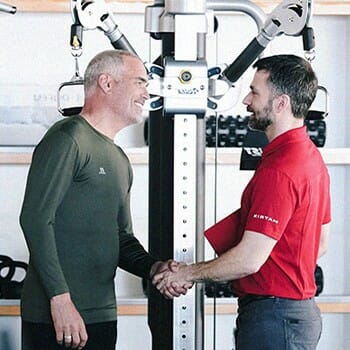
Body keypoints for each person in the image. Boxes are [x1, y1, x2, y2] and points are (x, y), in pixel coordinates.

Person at [153, 54, 331, 350]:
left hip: (275, 318)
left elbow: (249, 259)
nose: (247, 100)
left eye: (255, 92)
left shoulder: (280, 170)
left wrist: (186, 273)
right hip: (291, 313)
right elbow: (320, 244)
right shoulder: (310, 158)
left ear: (281, 103)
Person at [19, 49, 185, 350]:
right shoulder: (68, 138)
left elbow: (121, 237)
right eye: (140, 82)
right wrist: (60, 300)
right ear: (107, 83)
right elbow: (35, 219)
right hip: (56, 316)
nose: (147, 93)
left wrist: (153, 268)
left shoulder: (119, 158)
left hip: (101, 315)